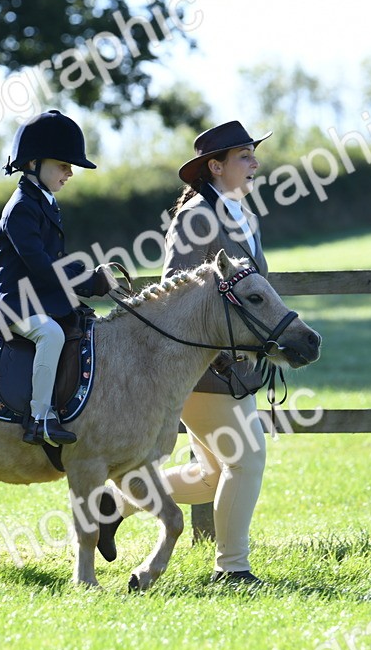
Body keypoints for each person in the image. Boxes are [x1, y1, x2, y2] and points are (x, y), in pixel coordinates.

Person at [97, 120, 273, 584]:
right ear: (215, 167)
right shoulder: (198, 215)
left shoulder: (243, 214)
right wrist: (215, 354)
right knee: (247, 459)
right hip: (203, 364)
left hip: (239, 363)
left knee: (214, 474)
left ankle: (114, 503)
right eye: (244, 157)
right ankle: (232, 571)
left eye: (253, 155)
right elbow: (176, 288)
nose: (255, 163)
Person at [0, 110, 116, 447]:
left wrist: (91, 277)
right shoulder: (20, 209)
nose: (70, 173)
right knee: (51, 333)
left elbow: (55, 262)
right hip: (15, 304)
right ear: (33, 163)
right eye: (63, 165)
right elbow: (41, 266)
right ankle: (40, 417)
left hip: (41, 299)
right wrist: (87, 282)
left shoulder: (44, 202)